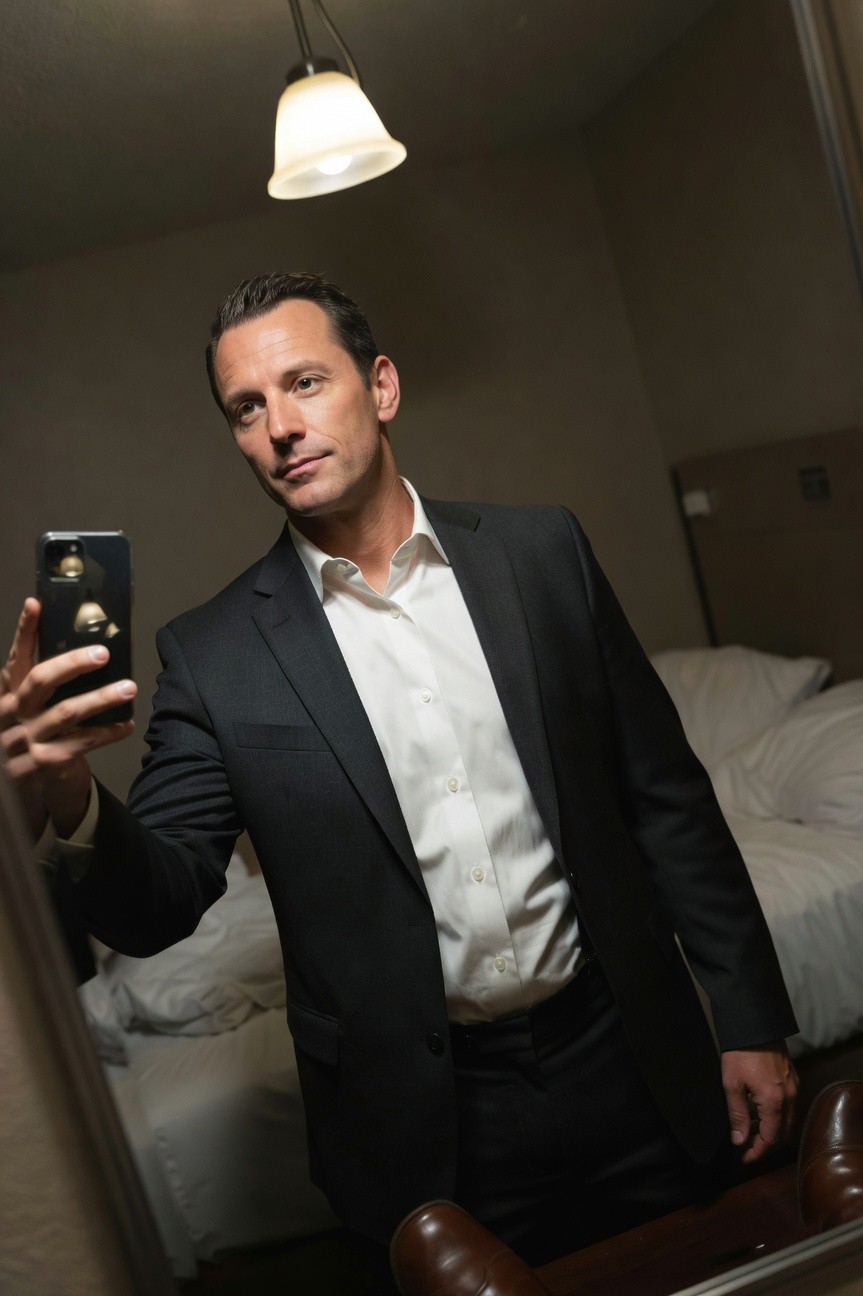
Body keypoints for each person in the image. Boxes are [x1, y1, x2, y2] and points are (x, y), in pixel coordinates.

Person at [1, 273, 798, 1279]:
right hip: (428, 1129)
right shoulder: (215, 655)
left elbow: (665, 800)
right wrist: (68, 794)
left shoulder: (539, 554)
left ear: (380, 387)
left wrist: (751, 1015)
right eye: (247, 408)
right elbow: (157, 903)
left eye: (303, 382)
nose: (280, 426)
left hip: (631, 1056)